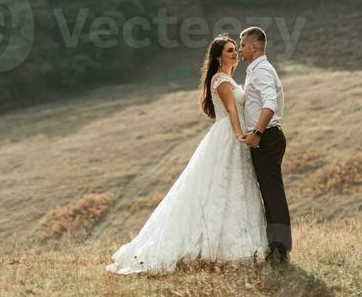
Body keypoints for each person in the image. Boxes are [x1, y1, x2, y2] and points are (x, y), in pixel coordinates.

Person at [106, 35, 268, 274]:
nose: (235, 54)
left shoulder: (228, 79)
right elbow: (232, 109)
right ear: (218, 57)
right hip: (229, 136)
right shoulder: (221, 79)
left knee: (231, 187)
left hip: (229, 135)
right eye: (229, 51)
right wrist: (239, 135)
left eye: (235, 50)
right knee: (221, 185)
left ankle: (234, 243)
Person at [238, 25, 292, 263]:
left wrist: (257, 132)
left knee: (272, 194)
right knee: (269, 193)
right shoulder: (255, 70)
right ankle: (276, 246)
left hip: (267, 137)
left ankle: (280, 249)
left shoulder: (261, 71)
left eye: (242, 45)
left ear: (254, 46)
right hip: (266, 137)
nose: (240, 50)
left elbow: (269, 104)